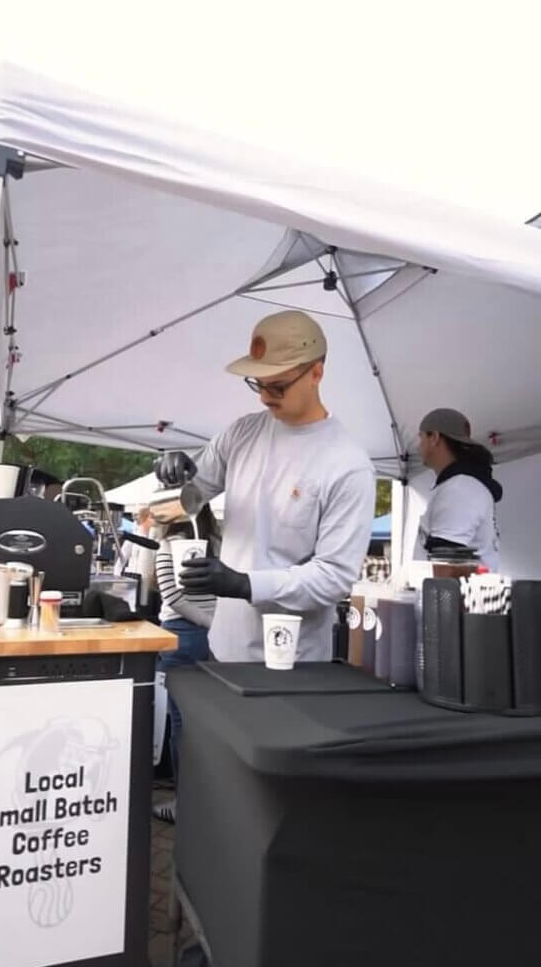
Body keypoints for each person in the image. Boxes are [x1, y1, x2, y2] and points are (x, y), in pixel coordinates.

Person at [156, 310, 376, 662]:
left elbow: (333, 578)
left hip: (293, 659)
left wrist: (246, 584)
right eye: (258, 383)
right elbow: (190, 496)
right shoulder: (242, 433)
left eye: (277, 386)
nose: (264, 396)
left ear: (316, 373)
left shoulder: (347, 464)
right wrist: (175, 472)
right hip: (222, 648)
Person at [152, 499, 219, 825]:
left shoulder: (170, 545)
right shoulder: (218, 546)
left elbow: (172, 596)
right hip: (217, 638)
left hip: (182, 635)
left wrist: (208, 624)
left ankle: (185, 804)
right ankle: (210, 798)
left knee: (181, 724)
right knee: (209, 722)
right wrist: (217, 623)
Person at [415, 407, 503, 570]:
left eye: (421, 438)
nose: (418, 446)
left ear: (434, 437)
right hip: (455, 593)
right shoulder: (460, 485)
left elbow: (446, 567)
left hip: (452, 595)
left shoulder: (459, 489)